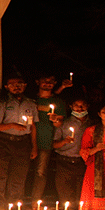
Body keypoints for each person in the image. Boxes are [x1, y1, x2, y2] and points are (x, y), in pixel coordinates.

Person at [0, 73, 38, 208]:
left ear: (25, 86)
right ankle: (0, 205)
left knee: (19, 175)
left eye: (20, 84)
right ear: (6, 87)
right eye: (13, 85)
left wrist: (34, 147)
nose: (17, 87)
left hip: (23, 142)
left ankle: (14, 204)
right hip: (3, 141)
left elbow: (33, 126)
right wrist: (11, 125)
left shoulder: (31, 103)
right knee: (0, 175)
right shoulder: (1, 102)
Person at [30, 73, 66, 203]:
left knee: (41, 172)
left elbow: (59, 123)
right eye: (44, 80)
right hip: (26, 139)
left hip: (45, 140)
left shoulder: (58, 102)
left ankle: (35, 201)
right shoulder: (31, 100)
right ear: (38, 82)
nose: (47, 83)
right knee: (21, 171)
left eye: (51, 80)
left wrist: (55, 120)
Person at [52, 98, 92, 206]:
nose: (79, 109)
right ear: (71, 107)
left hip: (83, 163)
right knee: (65, 196)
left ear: (87, 106)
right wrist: (64, 141)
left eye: (82, 105)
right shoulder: (64, 123)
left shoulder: (92, 124)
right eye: (76, 105)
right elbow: (53, 144)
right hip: (64, 162)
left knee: (80, 197)